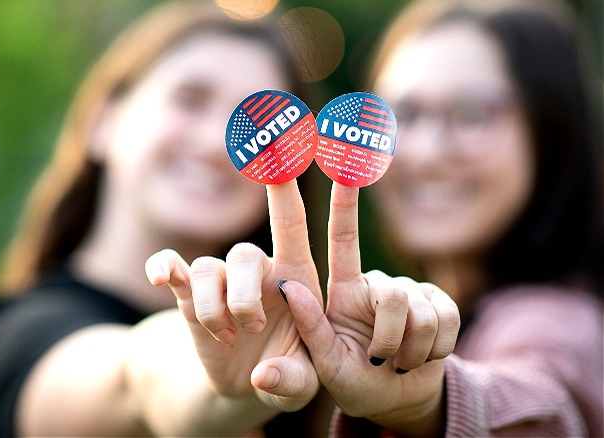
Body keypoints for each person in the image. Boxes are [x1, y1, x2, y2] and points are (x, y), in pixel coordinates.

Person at [149, 0, 603, 436]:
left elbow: (553, 402)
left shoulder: (561, 323)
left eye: (471, 115)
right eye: (401, 114)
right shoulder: (422, 314)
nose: (425, 153)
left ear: (551, 134)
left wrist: (434, 404)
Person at [0, 1, 334, 436]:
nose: (217, 141)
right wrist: (217, 387)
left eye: (258, 123)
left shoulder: (294, 363)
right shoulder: (14, 339)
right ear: (103, 119)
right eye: (190, 100)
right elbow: (137, 381)